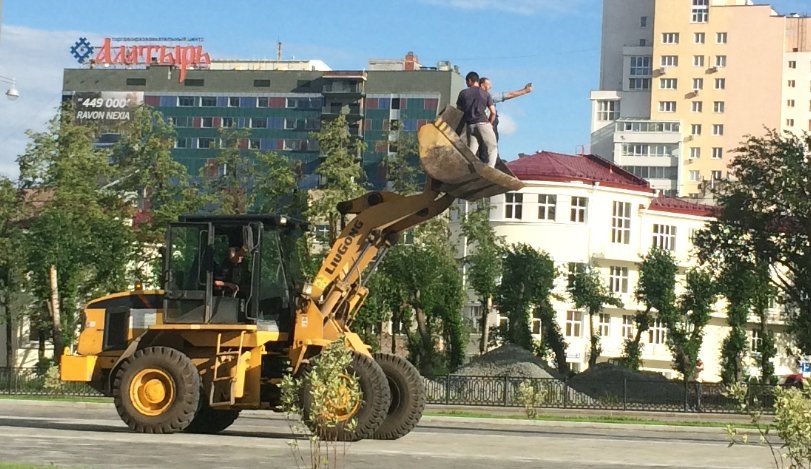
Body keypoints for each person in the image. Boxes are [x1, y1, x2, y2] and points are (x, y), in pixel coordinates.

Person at [456, 71, 498, 167]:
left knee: (471, 151)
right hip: (483, 123)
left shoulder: (463, 93)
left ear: (470, 81)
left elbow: (459, 111)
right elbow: (493, 112)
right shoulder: (485, 94)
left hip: (470, 125)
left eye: (467, 82)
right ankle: (490, 169)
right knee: (492, 147)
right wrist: (490, 124)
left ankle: (467, 169)